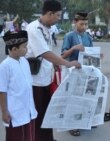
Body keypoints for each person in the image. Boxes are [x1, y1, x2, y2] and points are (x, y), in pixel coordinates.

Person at [25, 1, 81, 141]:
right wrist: (67, 63)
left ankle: (47, 138)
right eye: (57, 15)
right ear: (49, 13)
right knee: (37, 114)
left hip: (46, 77)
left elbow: (49, 52)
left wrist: (54, 65)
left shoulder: (48, 28)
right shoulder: (33, 29)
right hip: (35, 81)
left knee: (46, 113)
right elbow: (45, 53)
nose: (58, 18)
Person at [0, 31, 37, 141]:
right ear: (14, 49)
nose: (27, 49)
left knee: (29, 136)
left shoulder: (24, 61)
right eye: (25, 47)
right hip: (14, 111)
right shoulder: (4, 66)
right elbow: (2, 91)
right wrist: (4, 112)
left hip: (28, 108)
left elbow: (28, 85)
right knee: (16, 137)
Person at [61, 12, 93, 136]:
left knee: (83, 97)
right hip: (70, 70)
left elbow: (91, 54)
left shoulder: (88, 37)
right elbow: (62, 56)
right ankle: (71, 124)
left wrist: (97, 56)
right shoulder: (69, 36)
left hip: (84, 71)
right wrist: (73, 48)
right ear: (75, 23)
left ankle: (82, 121)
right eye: (81, 24)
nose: (84, 26)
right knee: (70, 98)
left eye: (86, 24)